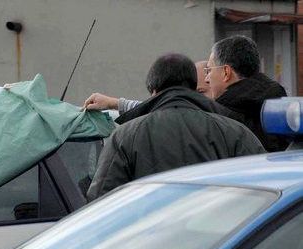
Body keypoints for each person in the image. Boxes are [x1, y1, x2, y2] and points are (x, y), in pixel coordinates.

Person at [86, 53, 265, 201]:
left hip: (146, 239)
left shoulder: (126, 135)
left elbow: (101, 199)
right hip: (219, 239)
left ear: (153, 90)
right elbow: (264, 188)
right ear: (193, 86)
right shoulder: (234, 131)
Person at [205, 35, 287, 152]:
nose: (207, 79)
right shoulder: (283, 107)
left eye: (209, 70)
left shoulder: (220, 119)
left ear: (226, 72)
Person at [82, 60, 212, 114]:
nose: (191, 100)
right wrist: (112, 103)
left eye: (200, 93)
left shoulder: (226, 125)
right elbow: (155, 108)